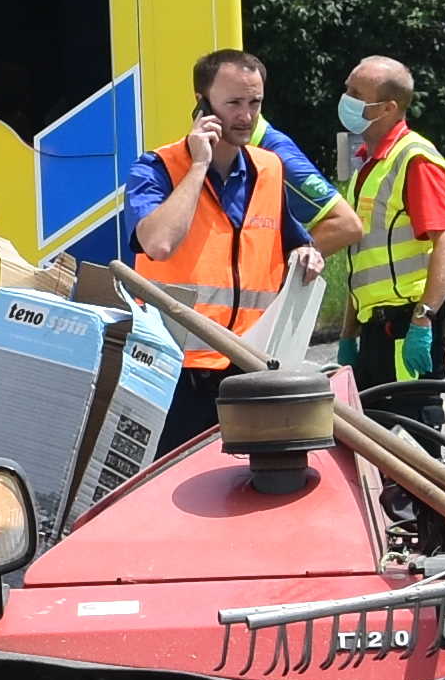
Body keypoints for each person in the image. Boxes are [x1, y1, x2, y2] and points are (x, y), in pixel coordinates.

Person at [115, 47, 324, 455]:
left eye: (255, 103)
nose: (246, 117)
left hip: (252, 368)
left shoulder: (269, 168)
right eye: (233, 104)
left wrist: (307, 253)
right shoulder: (156, 168)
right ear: (202, 106)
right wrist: (197, 167)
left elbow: (292, 239)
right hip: (176, 375)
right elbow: (158, 243)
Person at [306, 55, 445, 413]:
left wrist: (423, 320)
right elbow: (364, 260)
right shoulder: (368, 164)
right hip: (376, 327)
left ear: (389, 108)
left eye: (356, 93)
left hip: (407, 323)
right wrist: (349, 332)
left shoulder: (415, 159)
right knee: (375, 447)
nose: (345, 98)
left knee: (411, 442)